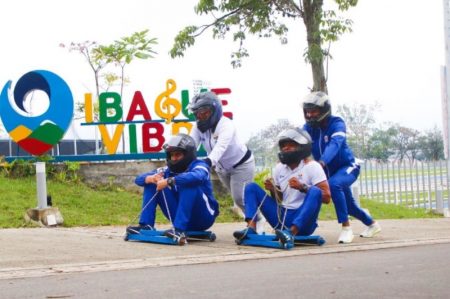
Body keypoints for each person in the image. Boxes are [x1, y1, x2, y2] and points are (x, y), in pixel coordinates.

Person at [301, 91, 381, 243]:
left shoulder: (337, 123)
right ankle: (372, 224)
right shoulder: (308, 128)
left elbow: (335, 144)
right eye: (307, 111)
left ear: (324, 110)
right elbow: (300, 142)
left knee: (334, 185)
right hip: (329, 172)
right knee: (349, 206)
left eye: (314, 111)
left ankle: (346, 228)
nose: (310, 115)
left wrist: (322, 162)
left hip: (348, 167)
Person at [233, 128, 331, 246]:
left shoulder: (313, 167)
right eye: (284, 145)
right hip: (282, 218)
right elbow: (278, 199)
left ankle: (291, 233)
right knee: (251, 187)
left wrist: (302, 187)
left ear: (302, 147)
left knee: (315, 191)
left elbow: (326, 197)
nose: (286, 148)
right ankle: (251, 229)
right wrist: (273, 189)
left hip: (303, 224)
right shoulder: (280, 168)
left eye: (291, 145)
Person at [188, 91, 263, 229]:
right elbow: (191, 144)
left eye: (204, 112)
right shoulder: (198, 127)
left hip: (242, 165)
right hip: (222, 169)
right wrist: (184, 158)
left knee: (240, 197)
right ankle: (254, 221)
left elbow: (220, 147)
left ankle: (256, 224)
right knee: (238, 199)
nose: (200, 116)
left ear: (215, 110)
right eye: (197, 113)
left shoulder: (226, 125)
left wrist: (208, 162)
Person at [128, 133, 219, 245]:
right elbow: (138, 179)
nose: (174, 158)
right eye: (172, 155)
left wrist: (169, 181)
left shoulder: (199, 165)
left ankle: (179, 229)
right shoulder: (167, 170)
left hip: (203, 218)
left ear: (187, 155)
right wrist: (150, 178)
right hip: (177, 215)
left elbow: (198, 176)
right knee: (152, 182)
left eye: (178, 155)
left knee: (189, 182)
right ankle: (146, 225)